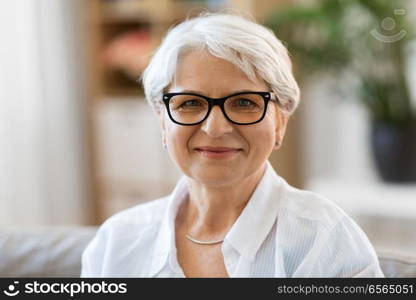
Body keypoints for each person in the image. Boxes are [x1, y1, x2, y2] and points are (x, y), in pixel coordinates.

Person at [81, 12, 384, 277]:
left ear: (280, 122)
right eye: (190, 102)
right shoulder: (116, 242)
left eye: (243, 102)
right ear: (163, 122)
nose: (215, 128)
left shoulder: (322, 239)